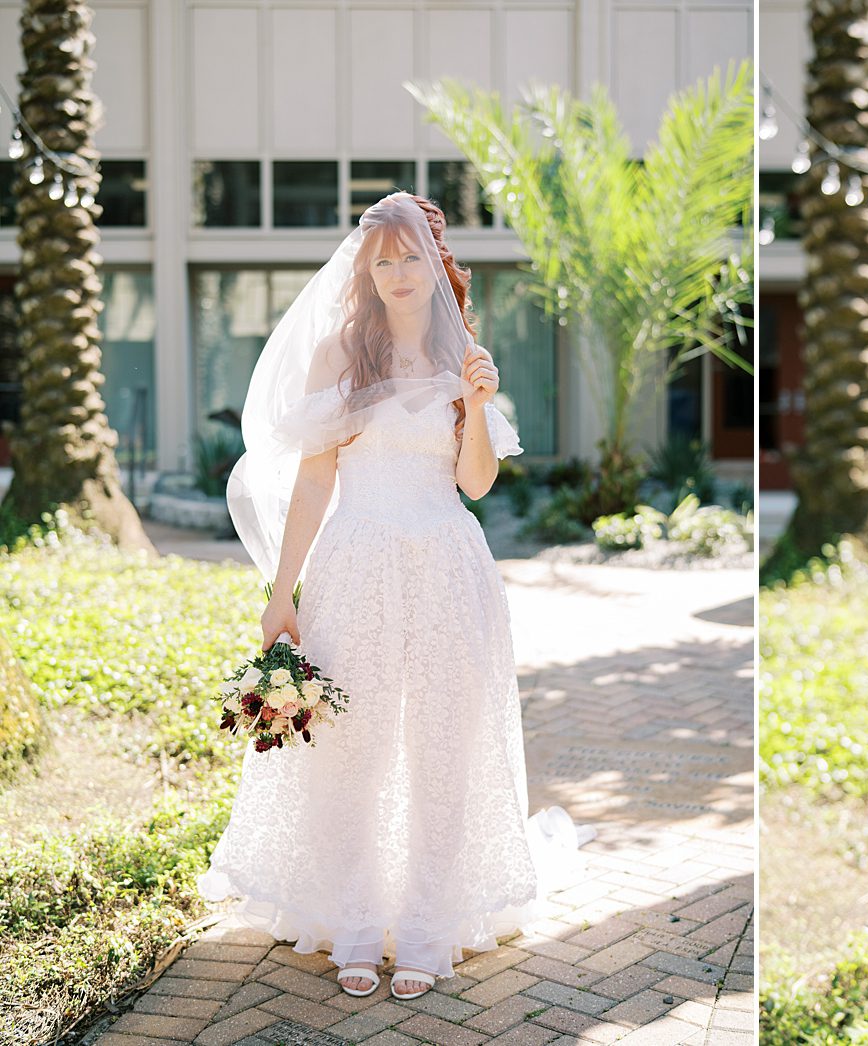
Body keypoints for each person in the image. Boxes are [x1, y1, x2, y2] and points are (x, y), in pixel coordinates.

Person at [198, 191, 592, 1001]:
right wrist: (283, 594)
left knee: (443, 741)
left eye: (410, 257)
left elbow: (474, 481)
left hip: (448, 562)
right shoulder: (341, 355)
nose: (397, 273)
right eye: (382, 260)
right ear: (365, 270)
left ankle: (422, 925)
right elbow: (314, 483)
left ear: (437, 263)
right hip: (357, 563)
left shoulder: (464, 355)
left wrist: (478, 405)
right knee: (353, 745)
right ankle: (351, 918)